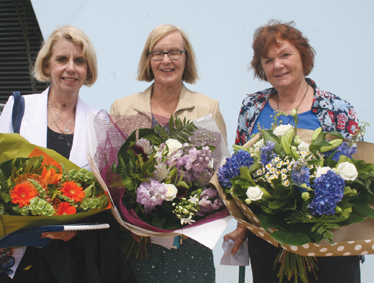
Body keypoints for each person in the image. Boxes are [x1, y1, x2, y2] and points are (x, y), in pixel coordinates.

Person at [0, 25, 135, 283]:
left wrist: (74, 230)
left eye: (79, 61)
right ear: (47, 66)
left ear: (87, 70)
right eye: (62, 59)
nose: (71, 68)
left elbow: (107, 202)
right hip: (18, 253)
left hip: (75, 260)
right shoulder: (19, 108)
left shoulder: (99, 122)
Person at [223, 20, 361, 283]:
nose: (278, 65)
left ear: (302, 56)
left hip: (329, 242)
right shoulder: (252, 107)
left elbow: (356, 176)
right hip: (269, 244)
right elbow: (242, 175)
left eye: (285, 54)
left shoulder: (336, 108)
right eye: (268, 60)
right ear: (262, 68)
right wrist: (242, 226)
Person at [110, 24, 227, 283]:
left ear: (186, 58)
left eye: (174, 52)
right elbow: (114, 174)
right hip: (136, 239)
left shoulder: (208, 107)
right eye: (158, 53)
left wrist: (197, 209)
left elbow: (221, 172)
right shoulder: (123, 107)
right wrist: (130, 213)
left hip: (190, 241)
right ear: (148, 59)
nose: (166, 60)